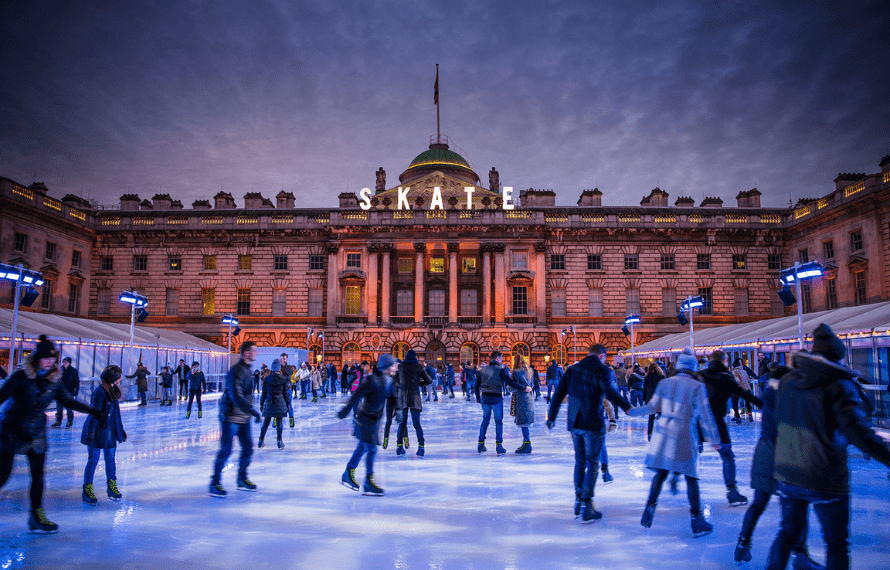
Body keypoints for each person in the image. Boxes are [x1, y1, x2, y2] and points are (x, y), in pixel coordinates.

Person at [767, 324, 890, 570]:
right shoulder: (838, 385)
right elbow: (858, 433)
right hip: (823, 476)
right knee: (836, 544)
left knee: (788, 533)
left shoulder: (789, 381)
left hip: (789, 471)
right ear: (839, 355)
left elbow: (779, 421)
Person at [0, 335, 102, 532]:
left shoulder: (55, 379)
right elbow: (2, 396)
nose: (48, 362)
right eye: (45, 358)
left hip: (36, 433)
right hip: (11, 430)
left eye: (52, 358)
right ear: (37, 358)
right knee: (3, 475)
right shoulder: (21, 375)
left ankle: (36, 515)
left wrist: (92, 410)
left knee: (38, 476)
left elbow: (67, 400)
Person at [734, 363, 822, 568]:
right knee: (795, 507)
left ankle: (742, 543)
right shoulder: (787, 400)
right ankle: (799, 553)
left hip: (764, 456)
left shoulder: (769, 397)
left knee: (758, 504)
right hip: (784, 459)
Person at [632, 348, 722, 536]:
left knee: (661, 474)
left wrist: (631, 411)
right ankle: (697, 518)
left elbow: (651, 407)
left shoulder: (665, 383)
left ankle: (650, 507)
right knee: (691, 477)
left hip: (664, 431)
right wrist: (714, 439)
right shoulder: (697, 386)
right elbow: (705, 415)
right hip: (685, 432)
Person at [547, 344, 632, 523]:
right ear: (602, 356)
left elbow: (558, 394)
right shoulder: (602, 370)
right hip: (593, 421)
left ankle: (579, 499)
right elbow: (610, 393)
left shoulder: (572, 369)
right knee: (593, 463)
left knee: (579, 461)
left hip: (575, 422)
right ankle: (586, 504)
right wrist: (626, 407)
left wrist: (552, 417)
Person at [698, 349, 763, 507]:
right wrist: (764, 405)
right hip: (717, 423)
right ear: (724, 361)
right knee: (727, 456)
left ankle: (676, 477)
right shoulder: (726, 377)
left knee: (690, 454)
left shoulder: (700, 376)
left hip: (699, 422)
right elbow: (744, 394)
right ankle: (732, 490)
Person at [338, 354, 399, 496]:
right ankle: (368, 481)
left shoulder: (389, 382)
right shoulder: (372, 381)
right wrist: (344, 412)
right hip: (365, 420)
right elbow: (356, 396)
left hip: (375, 420)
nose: (396, 368)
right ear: (386, 368)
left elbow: (394, 398)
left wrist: (399, 410)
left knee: (362, 447)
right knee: (371, 449)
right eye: (393, 365)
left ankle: (348, 473)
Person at [209, 341, 261, 498]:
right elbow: (235, 394)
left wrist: (248, 411)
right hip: (231, 416)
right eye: (254, 351)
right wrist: (251, 410)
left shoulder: (246, 369)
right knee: (226, 450)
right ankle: (214, 483)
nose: (256, 354)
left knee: (248, 449)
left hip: (243, 417)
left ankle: (241, 478)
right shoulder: (237, 370)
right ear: (246, 353)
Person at [81, 365, 127, 505]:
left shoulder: (112, 390)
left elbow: (115, 415)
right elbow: (94, 413)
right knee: (93, 461)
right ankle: (87, 489)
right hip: (97, 431)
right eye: (119, 375)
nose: (121, 378)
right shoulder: (101, 391)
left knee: (110, 461)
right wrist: (90, 432)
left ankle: (111, 487)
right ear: (113, 377)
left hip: (109, 431)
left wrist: (120, 430)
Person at [477, 351, 527, 456]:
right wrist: (523, 387)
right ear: (497, 358)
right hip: (496, 398)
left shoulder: (482, 370)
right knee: (498, 422)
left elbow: (476, 385)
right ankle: (499, 446)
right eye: (501, 358)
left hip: (485, 398)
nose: (501, 361)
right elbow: (510, 382)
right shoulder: (501, 370)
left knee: (485, 420)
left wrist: (478, 398)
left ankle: (480, 444)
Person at [396, 351, 432, 456]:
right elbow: (429, 380)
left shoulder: (401, 367)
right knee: (417, 424)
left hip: (402, 398)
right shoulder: (418, 367)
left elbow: (393, 380)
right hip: (415, 397)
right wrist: (420, 384)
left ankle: (399, 447)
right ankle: (421, 447)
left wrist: (401, 386)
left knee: (402, 424)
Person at [258, 359, 288, 449]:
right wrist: (288, 404)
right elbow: (285, 393)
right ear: (279, 368)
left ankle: (260, 440)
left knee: (266, 422)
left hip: (269, 401)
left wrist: (261, 404)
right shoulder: (283, 379)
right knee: (279, 421)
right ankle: (279, 441)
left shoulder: (267, 378)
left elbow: (264, 393)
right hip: (279, 402)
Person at [511, 354, 536, 454]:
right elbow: (533, 385)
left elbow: (514, 386)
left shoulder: (516, 371)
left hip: (521, 399)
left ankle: (527, 444)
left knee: (523, 422)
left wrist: (508, 388)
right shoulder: (530, 371)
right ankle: (526, 442)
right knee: (525, 422)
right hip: (529, 398)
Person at [52, 356, 80, 427]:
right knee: (59, 408)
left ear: (69, 363)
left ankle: (69, 421)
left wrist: (76, 390)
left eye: (66, 362)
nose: (64, 363)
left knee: (69, 408)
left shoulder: (73, 371)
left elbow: (76, 381)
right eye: (63, 362)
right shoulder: (60, 370)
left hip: (69, 392)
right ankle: (58, 420)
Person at [643, 362, 666, 441]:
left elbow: (645, 389)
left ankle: (649, 434)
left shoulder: (647, 377)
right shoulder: (662, 377)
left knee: (651, 418)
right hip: (660, 400)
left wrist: (644, 399)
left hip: (651, 400)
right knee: (661, 417)